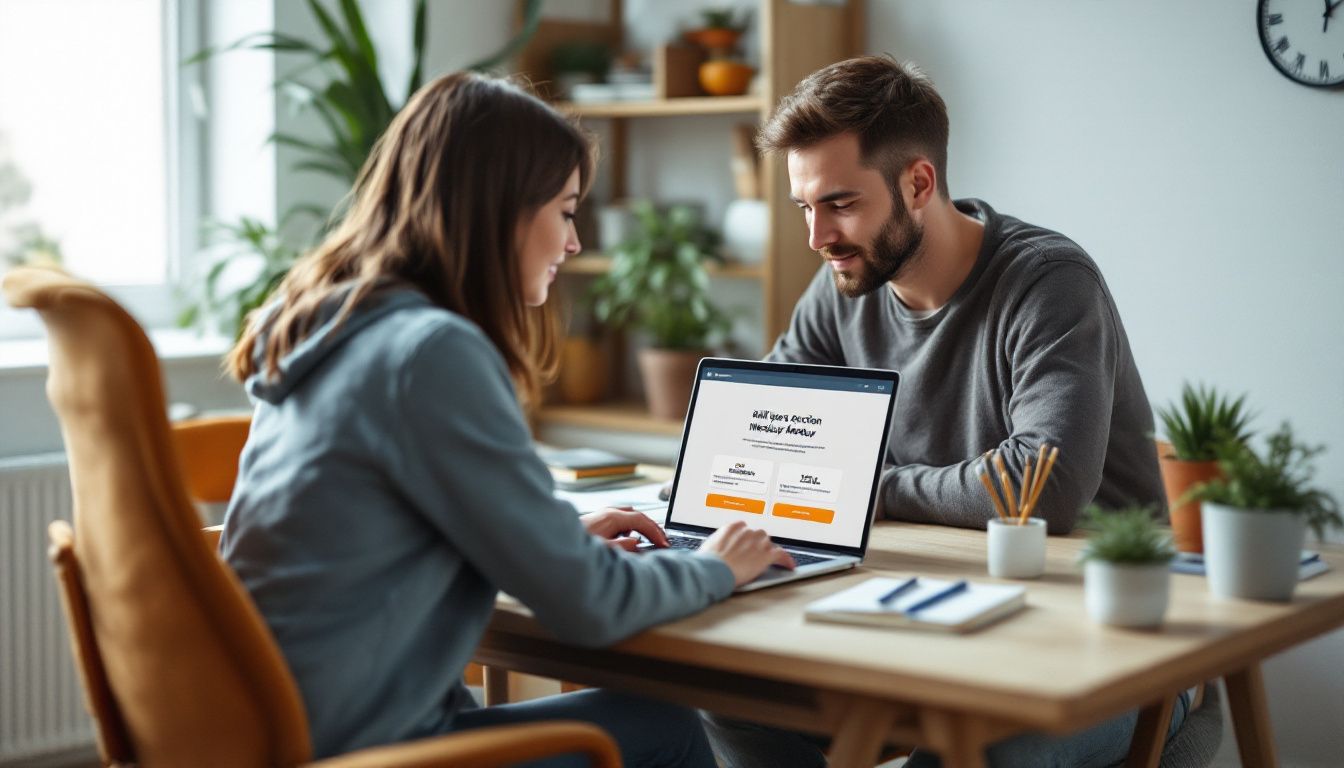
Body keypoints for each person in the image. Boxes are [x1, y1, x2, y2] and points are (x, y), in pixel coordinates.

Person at [220, 71, 792, 768]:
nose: (574, 242)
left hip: (276, 732)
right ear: (503, 212)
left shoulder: (335, 329)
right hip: (368, 751)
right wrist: (715, 568)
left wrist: (543, 540)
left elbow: (369, 543)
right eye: (567, 210)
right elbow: (589, 607)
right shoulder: (429, 353)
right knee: (668, 724)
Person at [702, 55, 1183, 768]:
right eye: (805, 208)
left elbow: (1041, 487)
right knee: (731, 700)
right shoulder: (843, 283)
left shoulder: (1048, 282)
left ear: (918, 182)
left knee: (963, 754)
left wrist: (873, 486)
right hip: (935, 629)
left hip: (1103, 655)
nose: (817, 237)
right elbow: (759, 432)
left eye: (840, 203)